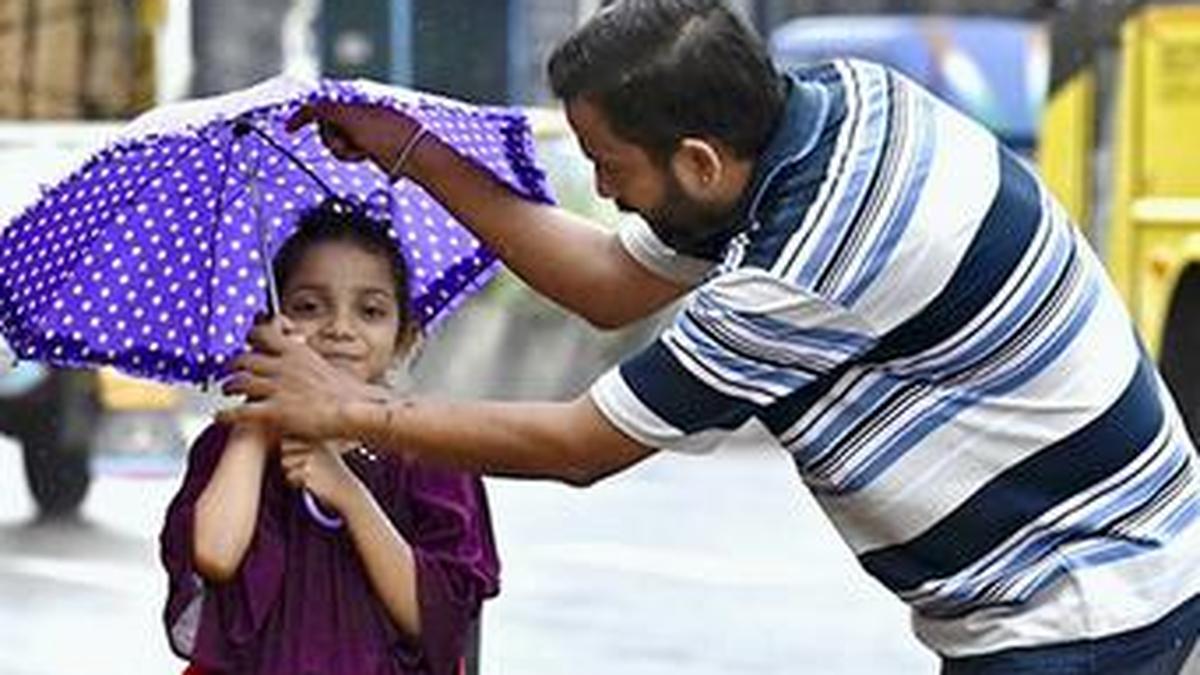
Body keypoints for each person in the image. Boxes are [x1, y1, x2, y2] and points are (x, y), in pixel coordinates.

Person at [221, 1, 1200, 672]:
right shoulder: (837, 107)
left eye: (611, 167)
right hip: (1114, 563)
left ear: (695, 160)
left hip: (1076, 603)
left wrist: (348, 410)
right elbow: (608, 280)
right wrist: (409, 151)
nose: (601, 189)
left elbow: (581, 446)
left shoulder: (800, 275)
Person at [160, 202, 499, 675]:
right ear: (270, 324)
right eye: (308, 307)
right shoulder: (236, 441)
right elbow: (215, 555)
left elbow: (436, 616)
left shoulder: (431, 451)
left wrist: (348, 494)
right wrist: (258, 425)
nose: (341, 328)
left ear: (405, 339)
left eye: (371, 311)